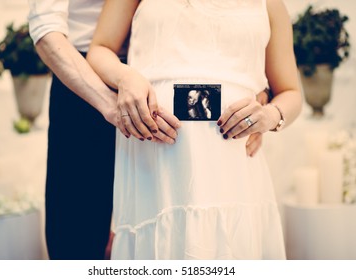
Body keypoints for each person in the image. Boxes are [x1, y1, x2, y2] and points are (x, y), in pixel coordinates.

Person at [87, 0, 302, 260]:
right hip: (155, 166)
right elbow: (99, 49)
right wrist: (125, 77)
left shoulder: (271, 4)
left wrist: (269, 116)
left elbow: (291, 92)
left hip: (234, 170)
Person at [27, 0, 180, 260]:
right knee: (77, 242)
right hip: (85, 81)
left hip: (165, 83)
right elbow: (45, 27)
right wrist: (110, 106)